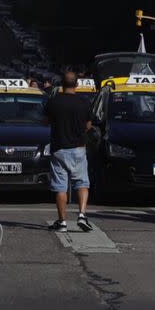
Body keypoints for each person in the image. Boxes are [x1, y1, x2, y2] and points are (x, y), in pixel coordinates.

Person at [44, 71, 93, 232]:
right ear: (77, 84)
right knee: (82, 183)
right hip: (78, 148)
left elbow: (46, 121)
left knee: (60, 187)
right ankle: (82, 215)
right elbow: (88, 126)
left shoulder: (54, 101)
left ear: (61, 84)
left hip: (59, 149)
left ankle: (62, 222)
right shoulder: (84, 102)